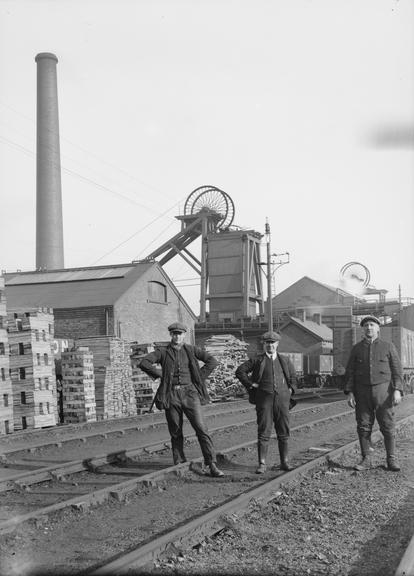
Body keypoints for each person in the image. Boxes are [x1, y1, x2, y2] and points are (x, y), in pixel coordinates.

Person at [138, 322, 224, 477]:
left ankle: (212, 464)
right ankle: (179, 462)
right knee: (176, 431)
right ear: (171, 335)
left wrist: (198, 378)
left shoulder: (191, 350)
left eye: (180, 334)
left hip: (190, 394)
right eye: (174, 334)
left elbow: (212, 361)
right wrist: (161, 375)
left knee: (201, 429)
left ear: (184, 335)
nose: (177, 336)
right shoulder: (163, 352)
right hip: (171, 395)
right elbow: (144, 363)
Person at [344, 315, 403, 471]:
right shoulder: (356, 349)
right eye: (366, 326)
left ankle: (391, 459)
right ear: (363, 329)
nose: (368, 328)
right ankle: (366, 459)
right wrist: (349, 393)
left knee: (388, 426)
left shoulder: (388, 346)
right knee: (363, 426)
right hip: (362, 393)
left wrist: (397, 390)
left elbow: (397, 370)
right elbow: (350, 372)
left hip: (384, 392)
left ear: (378, 328)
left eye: (371, 325)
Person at [235, 331, 297, 474]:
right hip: (264, 401)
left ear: (277, 344)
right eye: (267, 343)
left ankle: (285, 462)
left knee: (283, 431)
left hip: (282, 401)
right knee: (264, 431)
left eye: (273, 343)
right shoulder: (258, 360)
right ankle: (262, 464)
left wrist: (291, 390)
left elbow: (293, 377)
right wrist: (251, 385)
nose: (270, 346)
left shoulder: (285, 360)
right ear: (264, 344)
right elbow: (240, 371)